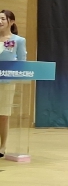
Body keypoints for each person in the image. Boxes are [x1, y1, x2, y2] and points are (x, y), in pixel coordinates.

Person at [0, 10, 27, 158]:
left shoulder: (18, 40)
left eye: (3, 19)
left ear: (11, 21)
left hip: (7, 82)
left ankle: (3, 146)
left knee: (3, 115)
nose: (0, 21)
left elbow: (22, 61)